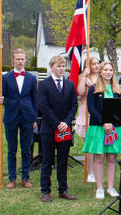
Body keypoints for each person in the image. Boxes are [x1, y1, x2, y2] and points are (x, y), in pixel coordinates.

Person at [38, 55, 78, 202]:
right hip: (49, 129)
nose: (61, 69)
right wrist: (56, 124)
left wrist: (66, 123)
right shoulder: (43, 85)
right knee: (47, 161)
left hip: (65, 129)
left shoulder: (70, 85)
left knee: (63, 161)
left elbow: (74, 105)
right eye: (58, 66)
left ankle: (63, 189)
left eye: (63, 66)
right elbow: (43, 106)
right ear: (51, 67)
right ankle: (45, 191)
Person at [83, 61, 121, 199]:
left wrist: (112, 123)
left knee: (112, 158)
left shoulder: (118, 90)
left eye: (110, 70)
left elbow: (120, 109)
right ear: (101, 72)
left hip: (114, 128)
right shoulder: (94, 89)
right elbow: (92, 108)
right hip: (99, 128)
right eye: (105, 70)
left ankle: (111, 187)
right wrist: (104, 122)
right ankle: (100, 187)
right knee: (99, 157)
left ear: (113, 72)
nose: (108, 72)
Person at [0, 48, 37, 189]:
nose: (20, 61)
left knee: (26, 149)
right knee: (12, 149)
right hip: (11, 116)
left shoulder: (31, 78)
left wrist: (34, 119)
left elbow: (34, 99)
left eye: (22, 59)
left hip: (27, 116)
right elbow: (4, 96)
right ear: (12, 60)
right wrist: (1, 100)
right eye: (17, 59)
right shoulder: (6, 78)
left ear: (25, 60)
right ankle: (12, 178)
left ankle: (25, 177)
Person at [75, 57, 100, 182]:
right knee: (89, 143)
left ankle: (96, 170)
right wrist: (84, 77)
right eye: (93, 64)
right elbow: (80, 92)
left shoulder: (101, 77)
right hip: (86, 112)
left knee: (97, 144)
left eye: (97, 63)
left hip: (98, 111)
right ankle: (89, 171)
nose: (96, 66)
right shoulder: (84, 77)